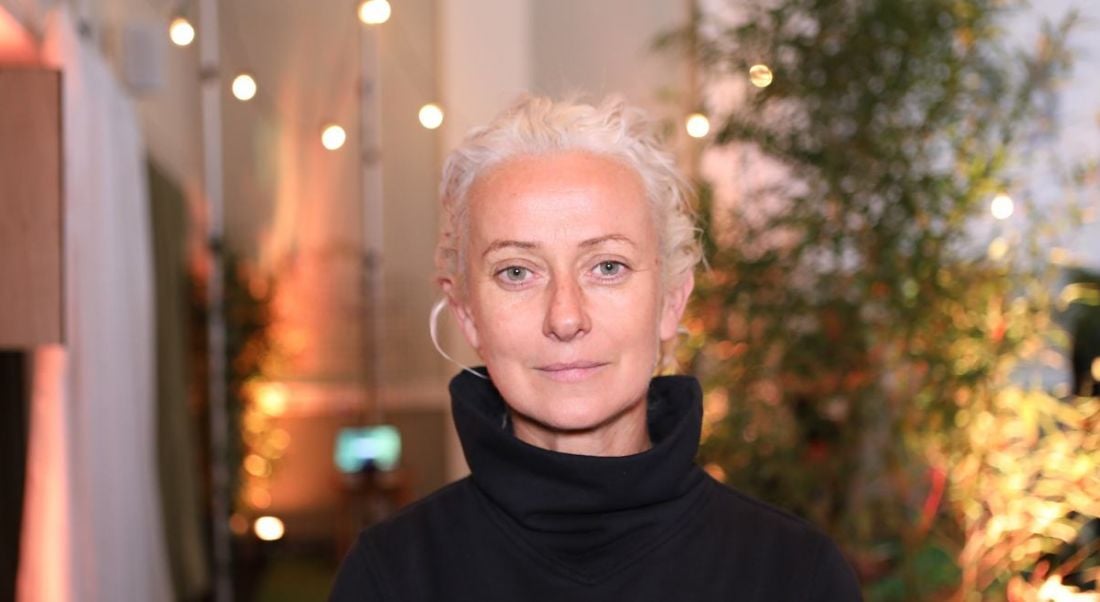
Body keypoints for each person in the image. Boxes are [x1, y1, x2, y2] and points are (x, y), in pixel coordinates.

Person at [329, 95, 862, 601]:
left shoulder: (792, 575)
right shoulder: (393, 577)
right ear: (467, 312)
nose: (565, 317)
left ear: (671, 301)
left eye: (608, 267)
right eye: (517, 272)